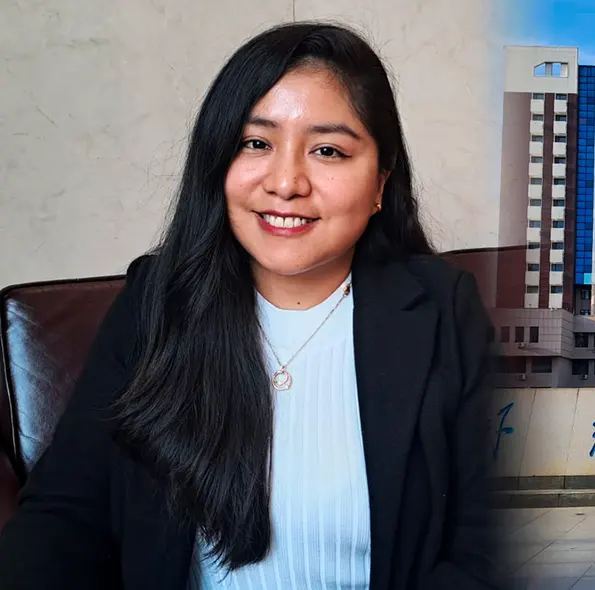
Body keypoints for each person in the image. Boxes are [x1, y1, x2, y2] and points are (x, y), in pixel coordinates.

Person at [0, 22, 499, 590]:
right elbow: (64, 518)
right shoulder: (158, 301)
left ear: (380, 183)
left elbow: (484, 545)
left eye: (328, 150)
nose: (285, 183)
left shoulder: (443, 310)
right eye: (255, 143)